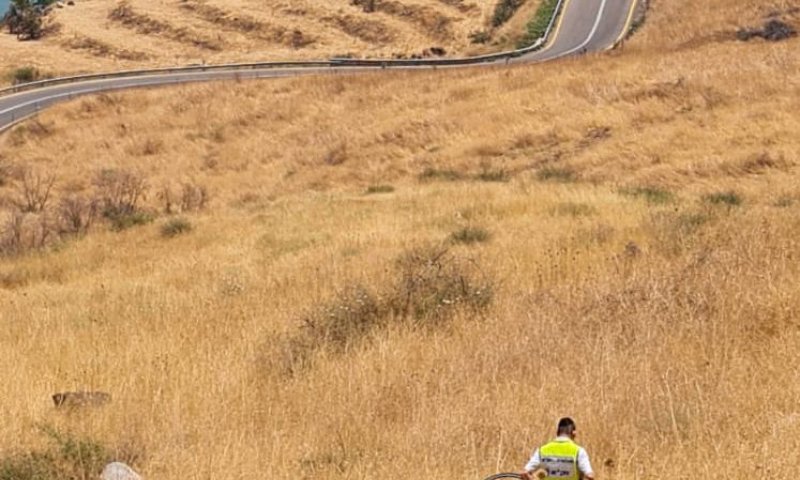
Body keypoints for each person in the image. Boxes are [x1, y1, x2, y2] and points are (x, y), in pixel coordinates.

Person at [519, 417, 594, 480]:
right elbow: (590, 476)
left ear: (557, 432)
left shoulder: (542, 450)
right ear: (574, 433)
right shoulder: (579, 451)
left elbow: (524, 473)